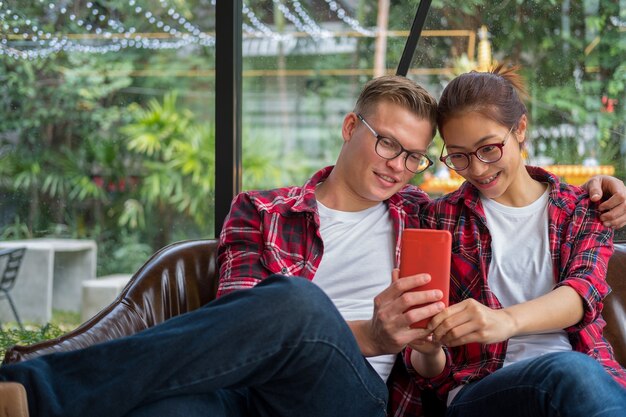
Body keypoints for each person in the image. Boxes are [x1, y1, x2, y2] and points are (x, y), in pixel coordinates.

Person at [0, 74, 625, 417]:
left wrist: (608, 189)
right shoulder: (263, 211)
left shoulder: (424, 219)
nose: (399, 165)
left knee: (300, 303)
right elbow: (238, 318)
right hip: (242, 390)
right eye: (388, 144)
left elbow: (511, 200)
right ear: (352, 128)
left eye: (414, 156)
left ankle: (36, 390)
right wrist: (373, 330)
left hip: (346, 399)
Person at [406, 65, 626, 417]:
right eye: (458, 156)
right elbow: (431, 368)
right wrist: (427, 349)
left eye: (488, 148)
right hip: (483, 391)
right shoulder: (439, 220)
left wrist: (504, 321)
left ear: (520, 128)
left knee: (576, 375)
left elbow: (582, 293)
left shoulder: (583, 210)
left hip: (586, 380)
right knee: (570, 373)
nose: (477, 169)